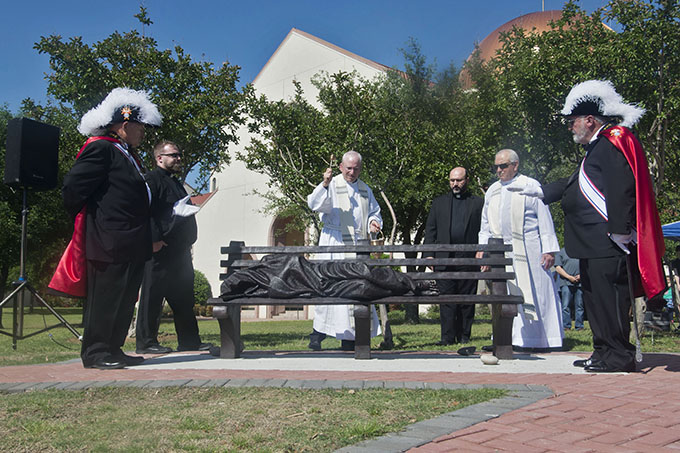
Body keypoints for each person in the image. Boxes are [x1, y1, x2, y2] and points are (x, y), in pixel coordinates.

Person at [515, 80, 666, 372]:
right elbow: (577, 183)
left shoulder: (612, 142)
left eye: (573, 122)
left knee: (610, 300)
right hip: (592, 243)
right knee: (596, 300)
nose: (570, 127)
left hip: (608, 241)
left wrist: (620, 227)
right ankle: (602, 352)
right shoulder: (596, 148)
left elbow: (621, 186)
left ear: (589, 120)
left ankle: (618, 356)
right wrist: (541, 192)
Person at [55, 88, 162, 369]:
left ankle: (114, 349)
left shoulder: (127, 154)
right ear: (125, 126)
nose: (143, 133)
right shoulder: (101, 148)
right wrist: (95, 224)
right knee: (105, 298)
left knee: (125, 299)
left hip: (132, 242)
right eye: (140, 127)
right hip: (108, 240)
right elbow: (72, 190)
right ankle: (96, 352)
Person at [477, 149, 563, 351]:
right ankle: (508, 339)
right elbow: (485, 224)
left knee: (535, 292)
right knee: (504, 294)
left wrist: (549, 249)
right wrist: (483, 250)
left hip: (529, 249)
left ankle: (541, 340)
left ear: (515, 165)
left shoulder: (530, 185)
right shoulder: (492, 191)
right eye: (496, 166)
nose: (499, 170)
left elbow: (544, 217)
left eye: (503, 166)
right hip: (501, 251)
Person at [135, 141, 212, 354]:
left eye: (179, 155)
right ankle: (146, 342)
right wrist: (153, 239)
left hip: (179, 251)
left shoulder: (176, 183)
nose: (178, 159)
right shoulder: (151, 181)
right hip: (160, 250)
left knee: (183, 299)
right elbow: (145, 212)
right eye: (173, 155)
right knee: (152, 297)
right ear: (159, 158)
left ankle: (189, 341)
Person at [306, 151, 382, 350]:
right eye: (348, 168)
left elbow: (374, 212)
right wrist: (324, 184)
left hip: (357, 245)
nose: (352, 172)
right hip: (335, 243)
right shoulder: (332, 184)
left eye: (356, 168)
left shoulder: (365, 190)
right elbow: (314, 204)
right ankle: (318, 333)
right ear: (340, 166)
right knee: (329, 288)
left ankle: (349, 339)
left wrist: (374, 223)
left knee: (354, 290)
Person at [424, 167, 483, 345]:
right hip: (444, 257)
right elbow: (431, 230)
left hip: (468, 257)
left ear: (467, 180)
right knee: (447, 300)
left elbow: (485, 229)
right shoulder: (439, 203)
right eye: (452, 181)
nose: (455, 184)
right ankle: (447, 338)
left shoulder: (478, 203)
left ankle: (464, 336)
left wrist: (482, 250)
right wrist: (428, 254)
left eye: (458, 180)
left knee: (467, 299)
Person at [555, 247, 584, 331]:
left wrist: (581, 275)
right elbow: (558, 267)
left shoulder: (582, 251)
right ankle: (566, 326)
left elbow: (587, 266)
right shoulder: (561, 252)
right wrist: (569, 277)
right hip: (565, 283)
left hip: (580, 283)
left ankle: (579, 326)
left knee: (579, 306)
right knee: (565, 306)